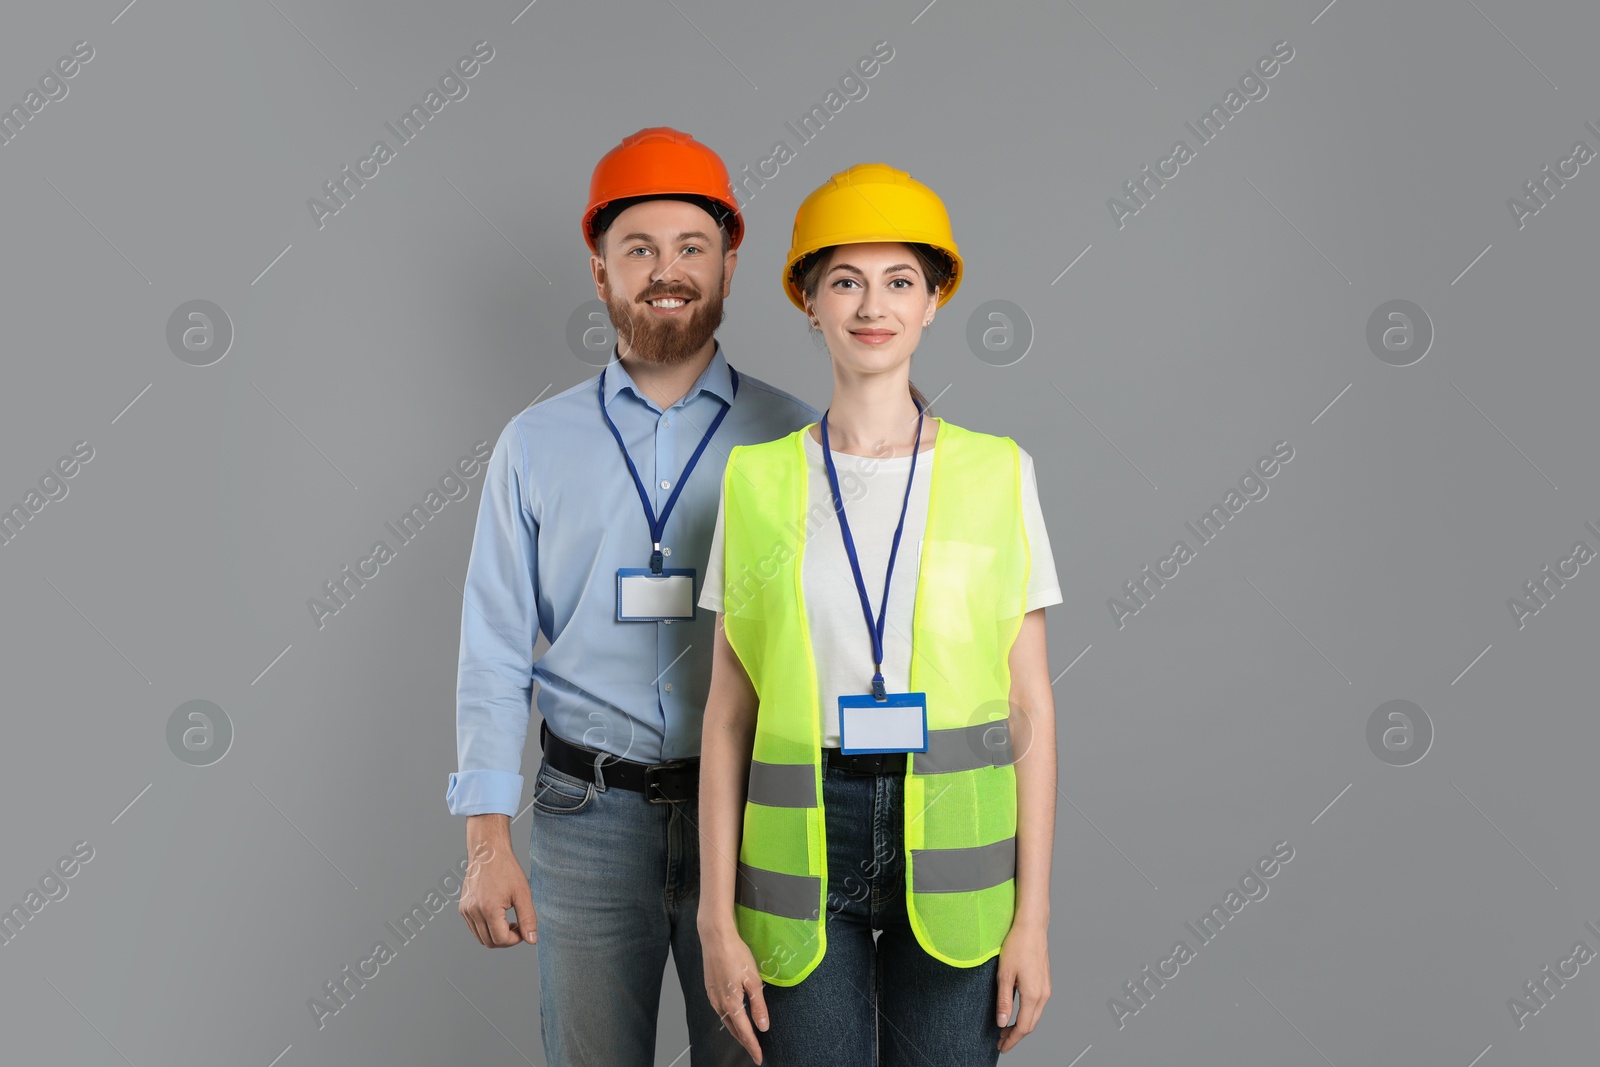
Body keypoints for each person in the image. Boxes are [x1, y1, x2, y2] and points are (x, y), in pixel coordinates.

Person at [447, 127, 821, 1067]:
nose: (668, 271)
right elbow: (492, 647)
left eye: (692, 247)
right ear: (601, 269)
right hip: (587, 815)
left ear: (730, 265)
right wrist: (486, 840)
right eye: (640, 249)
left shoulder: (795, 441)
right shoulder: (533, 444)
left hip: (752, 818)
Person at [695, 163, 1060, 1065]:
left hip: (961, 841)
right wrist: (714, 919)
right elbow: (727, 712)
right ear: (808, 301)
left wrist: (1035, 919)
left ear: (934, 302)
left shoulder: (999, 471)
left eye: (900, 281)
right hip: (801, 841)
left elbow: (1033, 709)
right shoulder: (757, 482)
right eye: (845, 281)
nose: (873, 304)